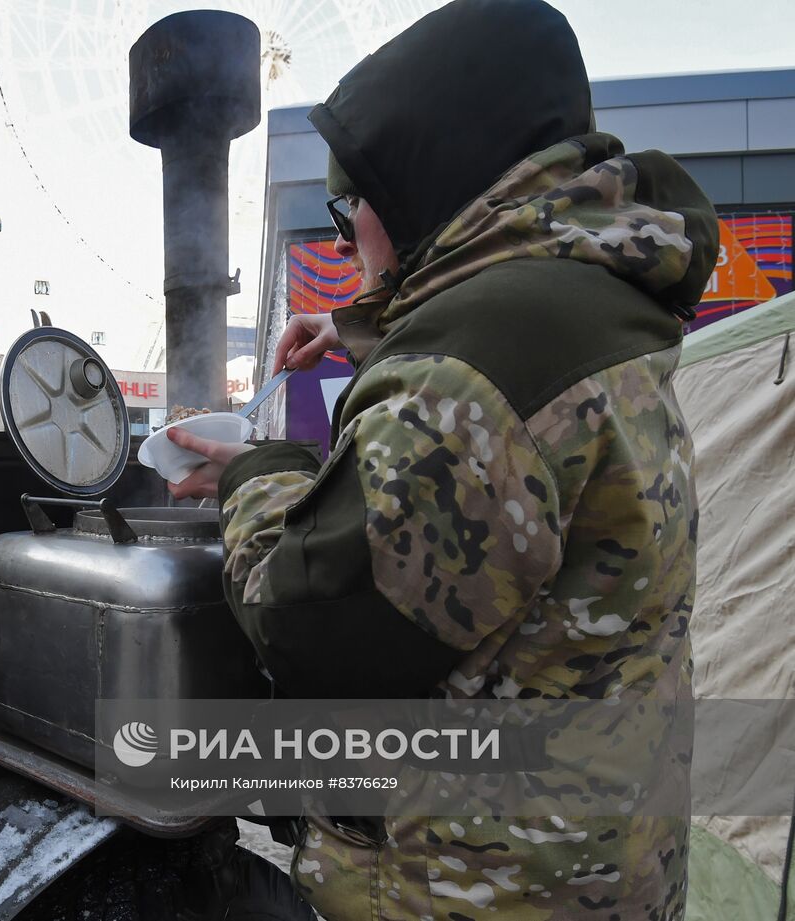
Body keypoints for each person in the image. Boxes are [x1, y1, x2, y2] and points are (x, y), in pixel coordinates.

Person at [164, 0, 718, 917]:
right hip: (603, 862)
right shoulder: (589, 294)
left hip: (472, 889)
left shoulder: (473, 369)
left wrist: (252, 474)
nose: (347, 243)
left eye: (350, 212)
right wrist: (367, 335)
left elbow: (306, 624)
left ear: (422, 186)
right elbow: (499, 450)